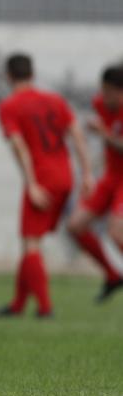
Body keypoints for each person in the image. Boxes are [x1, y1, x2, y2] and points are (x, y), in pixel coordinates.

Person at [0, 53, 92, 318]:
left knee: (32, 243)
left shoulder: (9, 106)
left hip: (42, 179)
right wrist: (87, 173)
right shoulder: (55, 101)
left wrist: (31, 184)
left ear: (8, 76)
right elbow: (77, 135)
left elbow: (19, 146)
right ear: (32, 74)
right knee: (29, 241)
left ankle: (45, 308)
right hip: (65, 177)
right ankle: (18, 305)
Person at [66, 64, 123, 302]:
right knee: (75, 226)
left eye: (110, 92)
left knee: (116, 233)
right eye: (103, 91)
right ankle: (112, 276)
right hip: (110, 177)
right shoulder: (100, 104)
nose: (105, 97)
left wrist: (104, 134)